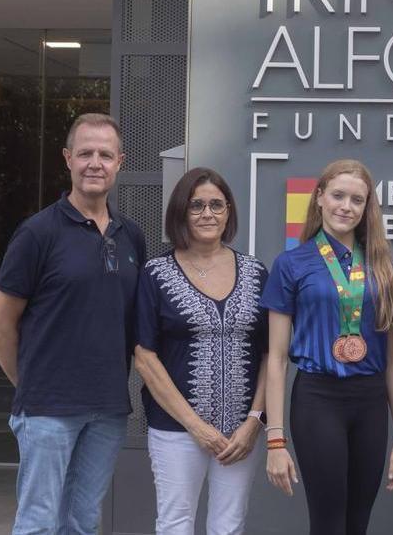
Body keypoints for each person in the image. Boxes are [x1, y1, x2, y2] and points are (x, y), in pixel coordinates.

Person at [0, 112, 146, 535]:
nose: (95, 162)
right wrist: (32, 385)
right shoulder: (37, 233)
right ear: (67, 159)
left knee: (82, 521)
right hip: (47, 410)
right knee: (38, 523)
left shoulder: (132, 236)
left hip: (108, 409)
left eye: (105, 154)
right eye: (85, 153)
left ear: (120, 162)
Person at [261, 159, 393, 535]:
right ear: (320, 198)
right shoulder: (291, 264)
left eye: (357, 200)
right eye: (339, 196)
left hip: (370, 402)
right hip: (318, 399)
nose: (347, 206)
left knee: (358, 524)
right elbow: (277, 360)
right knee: (328, 523)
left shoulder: (383, 267)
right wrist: (275, 439)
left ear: (366, 208)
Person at [133, 167, 269, 534]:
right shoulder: (155, 273)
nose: (207, 214)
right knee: (175, 523)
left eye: (216, 205)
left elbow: (272, 356)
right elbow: (145, 357)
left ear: (229, 211)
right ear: (180, 211)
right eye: (196, 206)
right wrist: (197, 427)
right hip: (177, 430)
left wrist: (254, 422)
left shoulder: (256, 273)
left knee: (230, 525)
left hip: (241, 434)